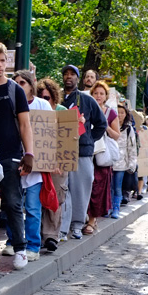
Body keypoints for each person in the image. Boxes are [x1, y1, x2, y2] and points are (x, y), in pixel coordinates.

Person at [0, 42, 34, 269]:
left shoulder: (16, 90)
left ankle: (21, 249)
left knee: (13, 202)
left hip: (11, 154)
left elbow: (25, 125)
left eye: (3, 60)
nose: (0, 65)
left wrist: (29, 154)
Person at [60, 65, 106, 239]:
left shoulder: (87, 100)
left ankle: (78, 224)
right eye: (66, 74)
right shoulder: (57, 99)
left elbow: (101, 124)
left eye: (72, 74)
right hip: (61, 151)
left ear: (78, 78)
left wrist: (88, 138)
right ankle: (62, 228)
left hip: (82, 152)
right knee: (63, 190)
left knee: (81, 189)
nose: (69, 77)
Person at [13, 70, 52, 261]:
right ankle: (13, 243)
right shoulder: (10, 102)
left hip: (36, 167)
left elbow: (51, 134)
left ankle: (33, 246)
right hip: (15, 164)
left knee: (33, 208)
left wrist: (53, 160)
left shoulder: (42, 105)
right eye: (16, 82)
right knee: (13, 206)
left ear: (30, 85)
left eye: (22, 83)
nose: (19, 86)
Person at [36, 78, 69, 250]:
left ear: (54, 97)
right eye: (40, 96)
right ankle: (38, 235)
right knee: (37, 198)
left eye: (47, 97)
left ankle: (51, 236)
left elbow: (70, 139)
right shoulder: (34, 110)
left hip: (57, 163)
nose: (44, 100)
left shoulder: (63, 112)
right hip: (38, 160)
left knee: (55, 196)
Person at [84, 81, 120, 234]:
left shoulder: (110, 113)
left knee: (97, 189)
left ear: (106, 96)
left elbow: (117, 135)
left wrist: (103, 125)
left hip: (101, 156)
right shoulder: (85, 108)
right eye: (95, 93)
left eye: (101, 93)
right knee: (85, 186)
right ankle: (84, 217)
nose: (98, 96)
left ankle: (92, 220)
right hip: (86, 152)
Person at [111, 104, 138, 217]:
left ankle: (116, 208)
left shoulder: (128, 129)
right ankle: (109, 207)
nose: (120, 114)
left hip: (121, 163)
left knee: (117, 186)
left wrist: (132, 164)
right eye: (118, 112)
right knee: (108, 187)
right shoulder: (109, 126)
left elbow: (132, 147)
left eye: (122, 112)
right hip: (108, 161)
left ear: (126, 114)